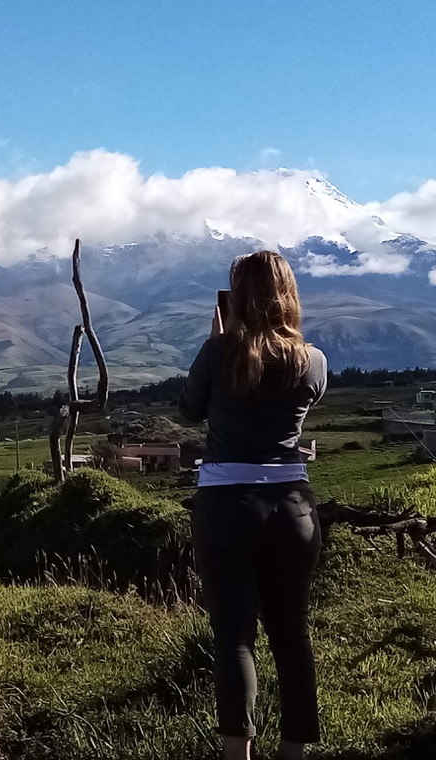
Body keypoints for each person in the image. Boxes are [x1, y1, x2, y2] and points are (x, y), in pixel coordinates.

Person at [178, 250, 327, 760]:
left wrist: (219, 339)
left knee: (235, 637)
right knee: (292, 632)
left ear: (237, 296)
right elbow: (303, 401)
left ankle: (236, 752)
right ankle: (294, 751)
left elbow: (190, 408)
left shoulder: (220, 352)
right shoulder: (313, 359)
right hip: (294, 508)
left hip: (227, 506)